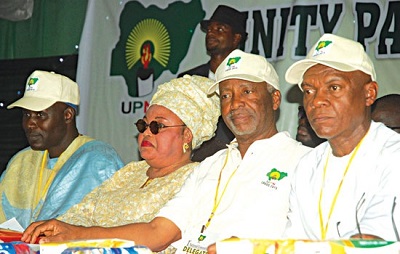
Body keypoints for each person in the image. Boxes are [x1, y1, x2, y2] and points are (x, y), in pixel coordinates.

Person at [22, 50, 310, 253]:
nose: (234, 104)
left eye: (246, 92)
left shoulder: (303, 162)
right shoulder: (212, 165)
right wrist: (72, 233)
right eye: (226, 95)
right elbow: (158, 233)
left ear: (274, 99)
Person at [58, 75, 220, 227]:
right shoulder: (130, 171)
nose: (147, 132)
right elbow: (81, 212)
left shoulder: (197, 177)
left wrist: (83, 235)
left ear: (186, 135)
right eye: (144, 125)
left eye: (158, 126)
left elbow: (155, 234)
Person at [284, 33, 400, 240]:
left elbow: (373, 243)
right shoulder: (308, 165)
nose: (317, 101)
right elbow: (294, 242)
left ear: (369, 94)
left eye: (334, 87)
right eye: (309, 91)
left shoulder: (393, 157)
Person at [0, 70, 125, 229]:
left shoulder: (99, 160)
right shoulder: (21, 161)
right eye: (26, 114)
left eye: (40, 115)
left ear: (67, 115)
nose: (30, 123)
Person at [178, 5, 248, 162]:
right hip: (191, 162)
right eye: (209, 29)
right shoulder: (188, 79)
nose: (211, 33)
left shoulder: (247, 80)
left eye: (220, 29)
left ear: (236, 38)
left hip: (234, 159)